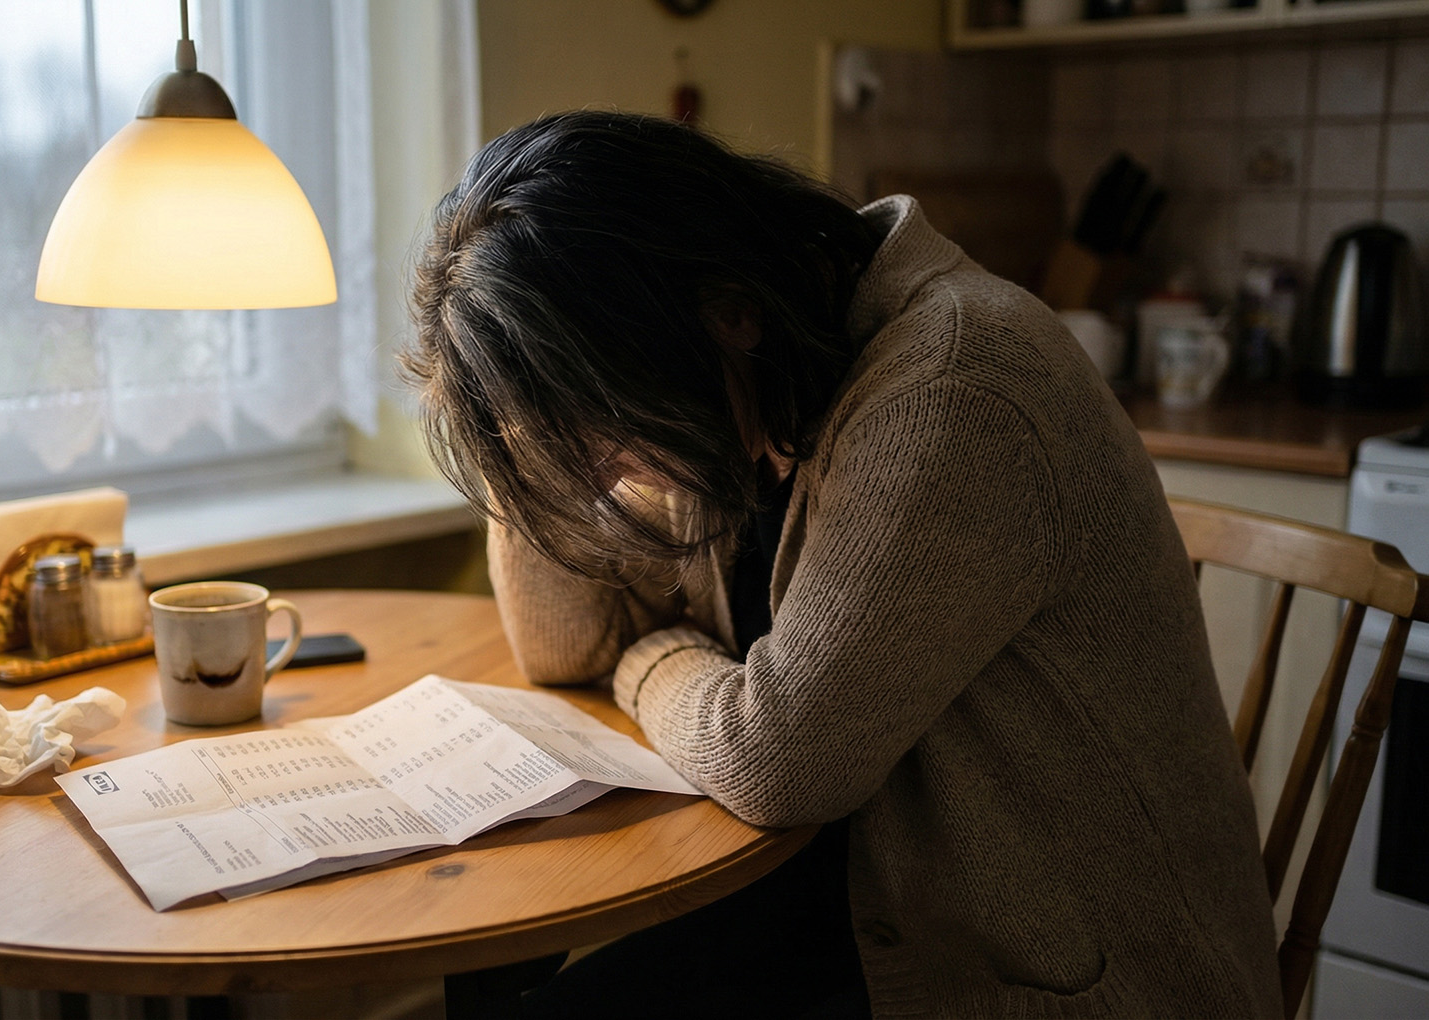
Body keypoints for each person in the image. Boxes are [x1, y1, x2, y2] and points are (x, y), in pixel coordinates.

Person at [402, 110, 1283, 1019]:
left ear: (729, 313)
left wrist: (651, 654)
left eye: (601, 426)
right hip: (855, 909)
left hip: (1045, 978)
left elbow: (771, 760)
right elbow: (562, 645)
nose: (604, 480)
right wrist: (523, 422)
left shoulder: (956, 387)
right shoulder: (744, 382)